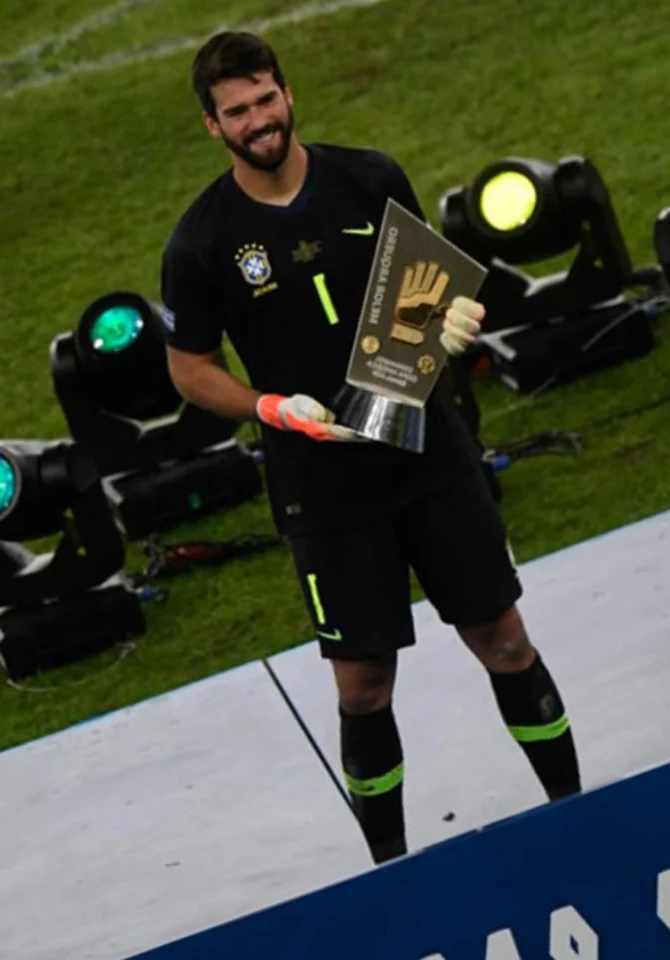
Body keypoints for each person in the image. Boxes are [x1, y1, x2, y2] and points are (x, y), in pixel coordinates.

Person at [159, 30, 582, 865]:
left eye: (266, 99)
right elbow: (189, 370)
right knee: (363, 685)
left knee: (504, 640)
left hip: (427, 457)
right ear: (213, 126)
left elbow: (433, 296)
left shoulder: (369, 178)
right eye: (236, 112)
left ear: (286, 93)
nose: (259, 121)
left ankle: (575, 814)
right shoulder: (201, 244)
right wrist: (269, 407)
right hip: (322, 487)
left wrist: (457, 320)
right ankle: (389, 869)